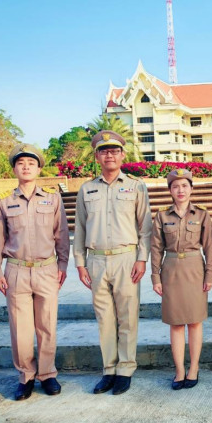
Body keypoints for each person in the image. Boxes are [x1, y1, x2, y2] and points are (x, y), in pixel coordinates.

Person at [0, 144, 70, 400]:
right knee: (21, 329)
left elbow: (61, 234)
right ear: (14, 169)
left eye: (31, 163)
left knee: (47, 325)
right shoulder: (3, 200)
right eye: (21, 163)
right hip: (17, 271)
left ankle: (47, 374)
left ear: (39, 169)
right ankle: (26, 376)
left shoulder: (52, 198)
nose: (26, 167)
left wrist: (63, 265)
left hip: (47, 269)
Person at [73, 131, 152, 396]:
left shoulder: (136, 186)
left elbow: (145, 227)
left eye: (114, 151)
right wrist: (80, 263)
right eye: (104, 151)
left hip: (126, 259)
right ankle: (109, 369)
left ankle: (125, 369)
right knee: (104, 318)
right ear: (97, 156)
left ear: (122, 155)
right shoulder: (87, 189)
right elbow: (80, 228)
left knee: (127, 317)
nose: (110, 155)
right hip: (96, 260)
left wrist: (142, 259)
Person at [151, 168, 212, 390]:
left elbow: (209, 246)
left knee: (195, 321)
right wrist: (156, 277)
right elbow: (156, 248)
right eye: (176, 186)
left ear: (191, 189)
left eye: (185, 186)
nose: (181, 190)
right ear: (170, 190)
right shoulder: (162, 216)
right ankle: (179, 370)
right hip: (171, 270)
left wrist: (209, 274)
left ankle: (194, 368)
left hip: (195, 269)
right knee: (176, 322)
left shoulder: (202, 214)